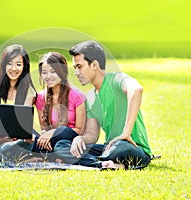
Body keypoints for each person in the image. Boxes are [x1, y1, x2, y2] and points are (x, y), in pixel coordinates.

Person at [54, 41, 152, 169]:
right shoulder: (90, 97)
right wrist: (81, 139)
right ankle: (105, 164)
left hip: (132, 147)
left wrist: (126, 133)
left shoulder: (116, 79)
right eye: (75, 68)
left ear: (94, 65)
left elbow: (137, 90)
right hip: (109, 147)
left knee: (120, 147)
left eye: (79, 67)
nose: (76, 73)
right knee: (61, 146)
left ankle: (98, 161)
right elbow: (92, 134)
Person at [33, 52, 86, 160]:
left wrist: (54, 133)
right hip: (48, 143)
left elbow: (79, 130)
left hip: (69, 141)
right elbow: (44, 127)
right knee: (26, 140)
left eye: (53, 72)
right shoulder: (40, 97)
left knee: (60, 145)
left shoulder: (77, 96)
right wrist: (44, 135)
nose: (48, 77)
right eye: (44, 72)